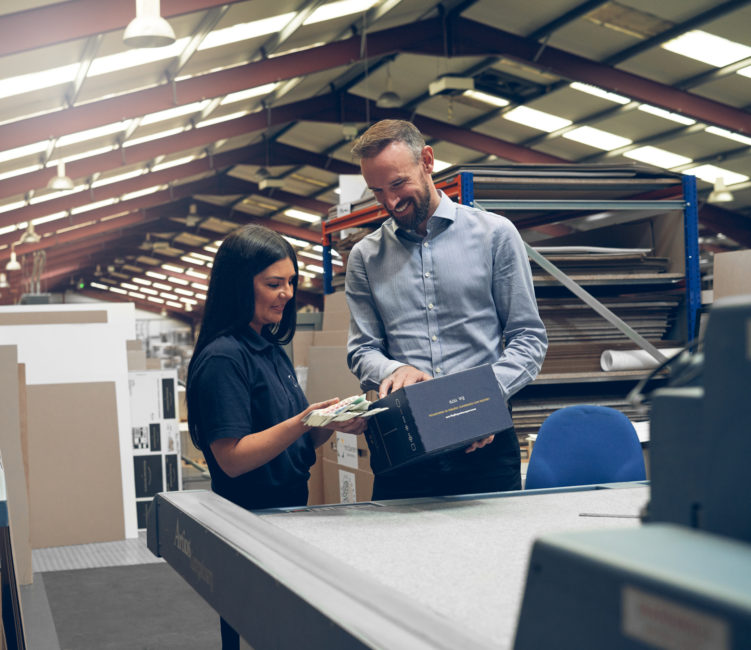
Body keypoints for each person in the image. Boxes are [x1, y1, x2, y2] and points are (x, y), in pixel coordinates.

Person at [345, 119, 548, 500]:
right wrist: (394, 369)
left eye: (398, 184)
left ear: (427, 161)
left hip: (484, 448)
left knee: (490, 555)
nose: (390, 202)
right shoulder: (365, 257)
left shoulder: (495, 235)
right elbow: (361, 350)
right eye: (377, 191)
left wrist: (483, 401)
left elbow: (528, 339)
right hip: (405, 445)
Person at [186, 223, 365, 649]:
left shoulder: (268, 349)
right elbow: (232, 457)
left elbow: (285, 441)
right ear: (238, 286)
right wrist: (303, 421)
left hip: (284, 517)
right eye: (273, 283)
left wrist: (326, 425)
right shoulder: (224, 359)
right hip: (249, 525)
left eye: (290, 282)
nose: (286, 293)